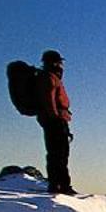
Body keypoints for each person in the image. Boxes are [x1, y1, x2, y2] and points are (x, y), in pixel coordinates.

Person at [36, 50, 75, 194]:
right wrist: (56, 119)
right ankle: (60, 186)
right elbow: (49, 99)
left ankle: (60, 184)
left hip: (56, 119)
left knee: (58, 153)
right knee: (58, 154)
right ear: (54, 63)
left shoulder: (51, 77)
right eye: (59, 62)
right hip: (55, 120)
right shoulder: (49, 78)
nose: (61, 65)